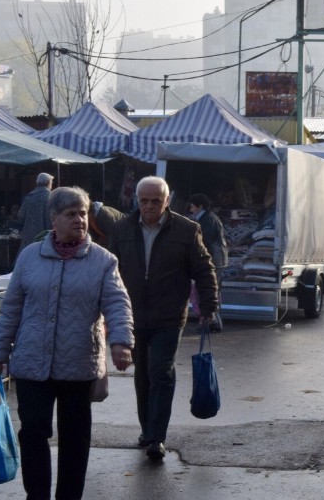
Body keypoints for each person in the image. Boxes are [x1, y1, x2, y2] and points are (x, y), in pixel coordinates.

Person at [0, 186, 134, 499]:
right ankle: (36, 494)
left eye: (82, 213)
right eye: (71, 214)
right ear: (54, 218)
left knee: (75, 438)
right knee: (33, 432)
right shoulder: (30, 257)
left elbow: (117, 303)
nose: (79, 220)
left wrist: (121, 342)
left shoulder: (103, 261)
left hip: (78, 362)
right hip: (31, 362)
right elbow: (11, 308)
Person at [109, 176, 218, 460]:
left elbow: (204, 270)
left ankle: (157, 437)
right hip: (132, 315)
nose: (149, 206)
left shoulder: (186, 229)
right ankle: (147, 429)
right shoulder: (121, 229)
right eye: (143, 201)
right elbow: (109, 274)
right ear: (137, 201)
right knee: (142, 375)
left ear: (166, 201)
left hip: (169, 316)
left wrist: (208, 306)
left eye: (155, 201)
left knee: (161, 371)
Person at [188, 193, 229, 330]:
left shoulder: (208, 220)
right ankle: (213, 323)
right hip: (216, 260)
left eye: (193, 206)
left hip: (214, 261)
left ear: (200, 206)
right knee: (212, 292)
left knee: (210, 292)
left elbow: (203, 241)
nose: (191, 209)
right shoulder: (207, 218)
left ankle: (213, 323)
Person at [17, 172, 53, 249]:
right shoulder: (52, 197)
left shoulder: (29, 197)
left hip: (29, 237)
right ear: (48, 183)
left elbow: (20, 216)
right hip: (47, 236)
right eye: (51, 182)